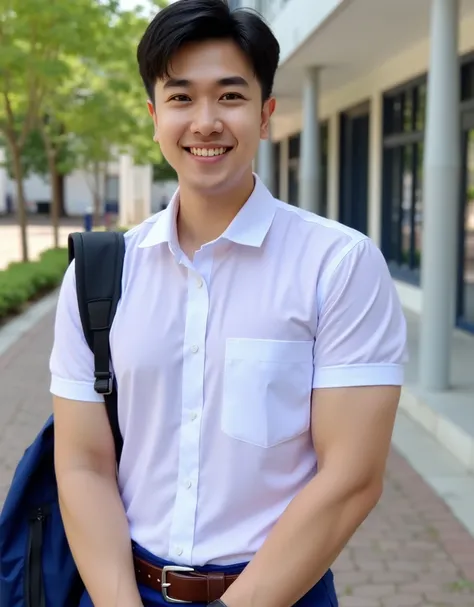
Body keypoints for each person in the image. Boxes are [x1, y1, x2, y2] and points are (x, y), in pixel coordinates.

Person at [49, 0, 407, 605]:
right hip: (122, 589)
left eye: (231, 97)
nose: (206, 122)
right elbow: (84, 462)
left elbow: (351, 478)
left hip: (280, 591)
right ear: (154, 116)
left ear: (266, 115)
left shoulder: (339, 265)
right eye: (182, 98)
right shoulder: (99, 275)